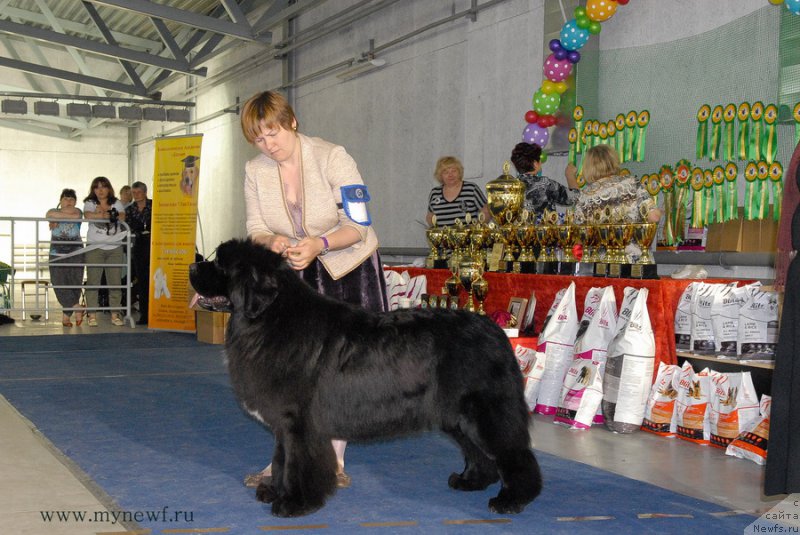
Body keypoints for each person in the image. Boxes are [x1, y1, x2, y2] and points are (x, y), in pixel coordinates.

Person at [240, 90, 388, 489]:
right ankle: (285, 458)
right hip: (297, 277)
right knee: (290, 375)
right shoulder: (256, 171)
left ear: (292, 122)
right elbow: (255, 228)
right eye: (258, 139)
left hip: (348, 269)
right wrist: (271, 242)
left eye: (273, 134)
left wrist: (319, 244)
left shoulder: (333, 156)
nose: (267, 145)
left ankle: (334, 460)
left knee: (342, 371)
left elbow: (358, 224)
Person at [573, 144, 662, 226]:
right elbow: (654, 217)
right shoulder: (632, 183)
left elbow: (580, 235)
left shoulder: (583, 197)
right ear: (613, 161)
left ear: (588, 168)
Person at [83, 176, 127, 327]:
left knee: (115, 282)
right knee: (93, 282)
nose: (100, 190)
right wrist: (106, 215)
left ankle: (115, 314)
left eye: (103, 186)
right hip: (94, 247)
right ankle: (92, 315)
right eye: (97, 187)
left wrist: (103, 214)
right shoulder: (89, 202)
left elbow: (121, 216)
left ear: (109, 188)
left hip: (115, 248)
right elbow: (88, 215)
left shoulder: (116, 202)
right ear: (93, 190)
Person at [46, 189, 85, 327]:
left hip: (76, 253)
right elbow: (49, 214)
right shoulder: (52, 210)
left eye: (71, 199)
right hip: (57, 253)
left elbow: (76, 217)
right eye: (65, 199)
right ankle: (76, 307)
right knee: (57, 282)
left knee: (74, 283)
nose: (68, 201)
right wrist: (57, 216)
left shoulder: (79, 211)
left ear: (75, 202)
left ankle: (66, 317)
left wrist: (58, 217)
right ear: (60, 201)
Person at [511, 142, 579, 218]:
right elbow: (574, 197)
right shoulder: (545, 184)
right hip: (544, 229)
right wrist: (570, 175)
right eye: (539, 159)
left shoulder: (511, 187)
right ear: (535, 163)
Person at [426, 156, 491, 226]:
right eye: (446, 172)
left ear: (459, 172)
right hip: (442, 237)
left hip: (469, 236)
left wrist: (477, 229)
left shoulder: (471, 189)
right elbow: (430, 216)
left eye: (454, 171)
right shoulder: (435, 193)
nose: (450, 175)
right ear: (440, 175)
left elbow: (486, 211)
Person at [125, 181, 152, 325]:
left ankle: (156, 314)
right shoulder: (129, 209)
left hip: (155, 246)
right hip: (139, 247)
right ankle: (144, 315)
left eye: (138, 192)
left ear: (145, 192)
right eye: (133, 193)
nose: (135, 195)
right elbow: (128, 227)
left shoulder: (155, 205)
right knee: (142, 282)